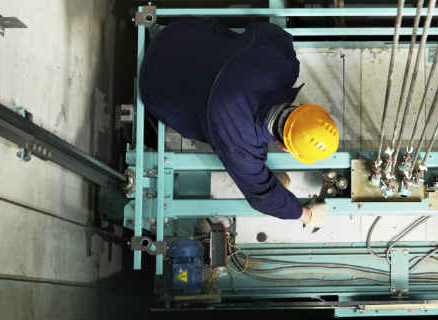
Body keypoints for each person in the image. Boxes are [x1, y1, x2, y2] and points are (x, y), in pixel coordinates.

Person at [138, 19, 338, 225]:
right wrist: (306, 215)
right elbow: (264, 196)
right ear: (284, 147)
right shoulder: (242, 145)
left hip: (177, 36)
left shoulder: (283, 64)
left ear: (304, 108)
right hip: (156, 87)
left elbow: (262, 28)